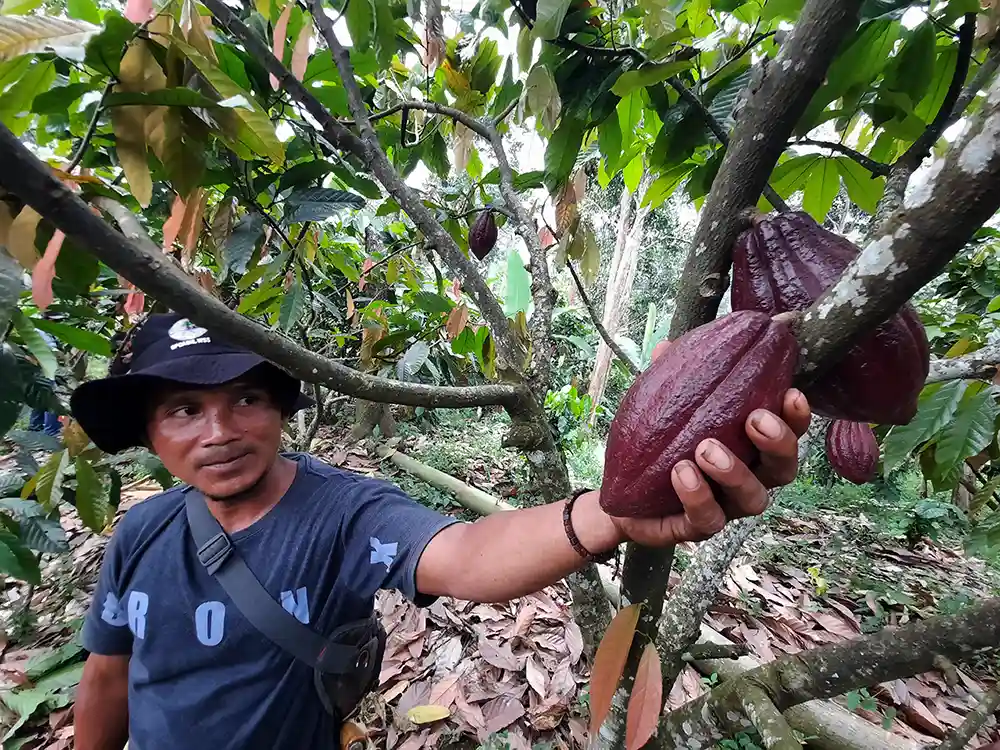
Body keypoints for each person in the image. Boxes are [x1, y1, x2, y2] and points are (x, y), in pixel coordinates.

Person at [68, 313, 811, 750]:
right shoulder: (142, 531)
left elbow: (465, 556)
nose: (221, 431)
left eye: (247, 398)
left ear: (282, 409)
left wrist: (614, 510)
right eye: (183, 410)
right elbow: (108, 676)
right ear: (148, 431)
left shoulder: (342, 513)